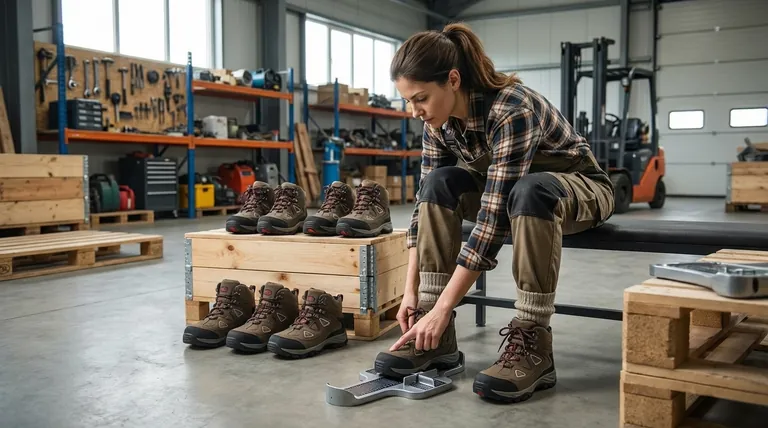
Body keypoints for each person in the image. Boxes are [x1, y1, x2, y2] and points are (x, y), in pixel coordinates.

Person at [373, 22, 615, 403]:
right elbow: (423, 210)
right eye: (407, 100)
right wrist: (415, 294)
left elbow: (493, 220)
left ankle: (534, 339)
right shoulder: (437, 123)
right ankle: (435, 337)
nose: (414, 111)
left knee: (529, 190)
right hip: (512, 191)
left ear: (453, 80)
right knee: (437, 184)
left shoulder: (511, 109)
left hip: (577, 188)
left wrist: (444, 305)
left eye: (420, 98)